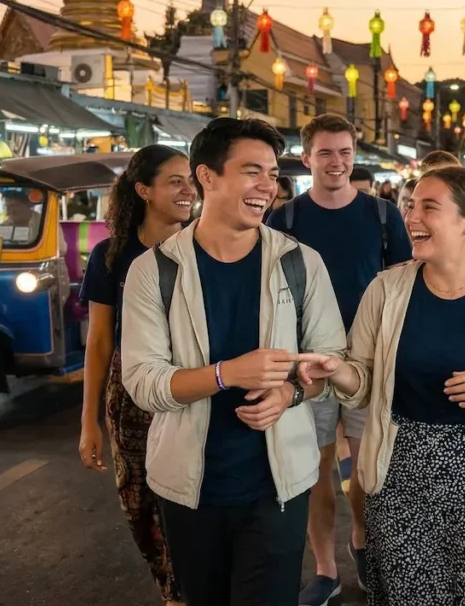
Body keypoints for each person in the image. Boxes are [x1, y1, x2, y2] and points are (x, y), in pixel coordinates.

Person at [297, 166, 465, 606]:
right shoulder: (386, 290)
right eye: (411, 205)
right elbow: (361, 383)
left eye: (429, 207)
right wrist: (336, 370)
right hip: (400, 478)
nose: (412, 216)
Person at [121, 118, 347, 606]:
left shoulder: (301, 263)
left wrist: (290, 392)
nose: (267, 186)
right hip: (189, 488)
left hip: (278, 486)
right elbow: (142, 382)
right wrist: (226, 375)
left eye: (271, 173)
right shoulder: (153, 270)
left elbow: (330, 364)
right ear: (207, 176)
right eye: (251, 172)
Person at [266, 113, 413, 604]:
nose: (337, 162)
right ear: (306, 159)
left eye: (345, 152)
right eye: (325, 153)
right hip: (307, 360)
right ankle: (326, 568)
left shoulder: (382, 215)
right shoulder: (284, 219)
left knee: (369, 467)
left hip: (369, 360)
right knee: (316, 467)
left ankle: (364, 547)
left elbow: (402, 285)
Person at [78, 146, 195, 606]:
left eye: (190, 180)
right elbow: (101, 341)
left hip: (194, 386)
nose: (188, 191)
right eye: (175, 181)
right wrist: (89, 420)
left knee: (191, 500)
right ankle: (172, 589)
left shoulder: (206, 245)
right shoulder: (112, 255)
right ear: (144, 190)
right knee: (141, 506)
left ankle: (191, 588)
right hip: (131, 399)